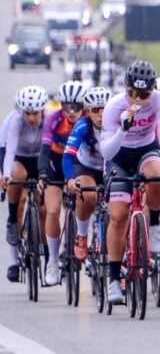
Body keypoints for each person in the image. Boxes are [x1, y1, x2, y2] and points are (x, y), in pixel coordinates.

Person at [100, 60, 160, 304]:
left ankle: (155, 225)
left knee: (158, 174)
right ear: (125, 89)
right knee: (118, 216)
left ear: (152, 91)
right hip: (119, 156)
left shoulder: (158, 100)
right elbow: (106, 153)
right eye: (133, 93)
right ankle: (114, 279)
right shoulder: (113, 107)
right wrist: (123, 130)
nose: (138, 99)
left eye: (144, 94)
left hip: (146, 150)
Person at [39, 80, 87, 286]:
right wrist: (42, 173)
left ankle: (83, 242)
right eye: (67, 105)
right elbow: (45, 150)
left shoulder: (88, 120)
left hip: (78, 163)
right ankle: (52, 261)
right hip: (56, 163)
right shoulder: (53, 119)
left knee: (88, 204)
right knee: (51, 211)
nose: (72, 111)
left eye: (77, 106)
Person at [1, 86, 48, 282]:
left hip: (39, 160)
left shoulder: (47, 122)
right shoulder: (14, 121)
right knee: (17, 179)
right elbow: (9, 151)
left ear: (42, 111)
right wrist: (5, 176)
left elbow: (49, 151)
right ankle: (12, 223)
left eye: (35, 113)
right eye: (27, 113)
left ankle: (45, 249)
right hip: (18, 158)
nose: (31, 118)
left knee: (43, 208)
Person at [63, 86, 111, 262]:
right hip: (87, 167)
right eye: (96, 110)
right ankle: (82, 235)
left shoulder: (117, 125)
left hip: (110, 167)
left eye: (105, 109)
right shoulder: (82, 126)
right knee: (88, 195)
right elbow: (68, 156)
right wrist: (69, 179)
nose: (101, 115)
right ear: (88, 112)